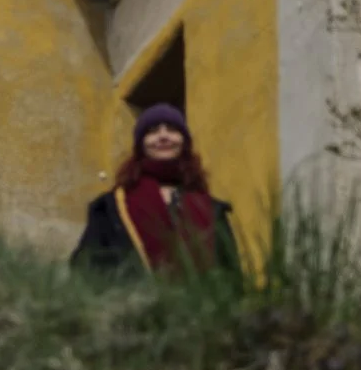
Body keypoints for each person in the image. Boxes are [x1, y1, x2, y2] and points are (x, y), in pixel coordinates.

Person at [73, 104, 240, 277]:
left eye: (172, 129)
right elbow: (86, 269)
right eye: (153, 131)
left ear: (184, 142)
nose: (163, 136)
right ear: (141, 145)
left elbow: (232, 277)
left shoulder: (213, 210)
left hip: (203, 303)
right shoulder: (111, 208)